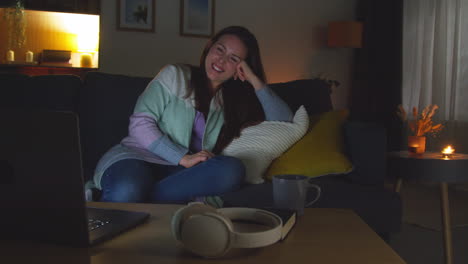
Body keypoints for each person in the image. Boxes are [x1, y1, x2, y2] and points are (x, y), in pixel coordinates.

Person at [89, 26, 293, 203]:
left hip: (181, 174)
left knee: (232, 169)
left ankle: (146, 200)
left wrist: (254, 80)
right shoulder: (174, 75)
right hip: (137, 157)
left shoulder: (233, 102)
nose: (221, 61)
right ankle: (145, 199)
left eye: (233, 59)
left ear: (240, 68)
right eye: (219, 49)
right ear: (209, 47)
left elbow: (284, 122)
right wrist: (182, 157)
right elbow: (140, 125)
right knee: (127, 189)